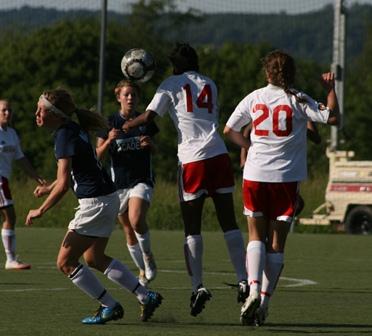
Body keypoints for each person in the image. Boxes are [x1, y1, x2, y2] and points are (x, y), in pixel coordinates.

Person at [122, 43, 248, 316]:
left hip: (192, 161)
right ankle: (243, 279)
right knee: (229, 222)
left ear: (177, 65)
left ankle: (198, 286)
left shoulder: (171, 83)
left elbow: (148, 116)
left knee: (192, 228)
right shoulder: (210, 83)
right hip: (218, 156)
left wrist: (127, 125)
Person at [26, 89, 162, 324]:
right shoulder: (73, 130)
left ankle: (109, 306)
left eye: (41, 109)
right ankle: (144, 294)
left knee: (65, 263)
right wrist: (48, 188)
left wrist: (40, 210)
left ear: (56, 114)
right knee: (94, 257)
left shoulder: (63, 135)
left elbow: (64, 184)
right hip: (107, 199)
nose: (36, 113)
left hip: (96, 204)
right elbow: (73, 174)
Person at [223, 50, 339, 326]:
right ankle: (262, 302)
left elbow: (229, 130)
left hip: (255, 175)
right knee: (276, 244)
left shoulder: (254, 97)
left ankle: (251, 290)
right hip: (285, 179)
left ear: (267, 73)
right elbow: (332, 118)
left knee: (254, 235)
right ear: (292, 73)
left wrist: (250, 148)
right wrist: (331, 89)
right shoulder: (298, 99)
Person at [96, 80, 159, 287]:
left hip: (141, 180)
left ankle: (148, 257)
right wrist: (108, 141)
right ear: (118, 97)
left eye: (134, 95)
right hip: (118, 184)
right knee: (128, 229)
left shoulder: (145, 122)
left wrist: (151, 145)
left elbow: (156, 151)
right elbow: (97, 155)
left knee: (136, 219)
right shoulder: (109, 122)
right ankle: (142, 270)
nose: (130, 98)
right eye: (126, 95)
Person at [0, 99, 45, 270]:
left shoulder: (11, 133)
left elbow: (21, 158)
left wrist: (35, 176)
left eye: (9, 110)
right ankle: (10, 260)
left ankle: (10, 259)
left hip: (4, 179)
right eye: (4, 110)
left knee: (8, 217)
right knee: (10, 215)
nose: (7, 113)